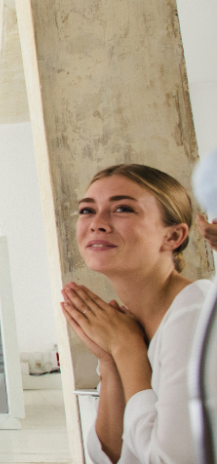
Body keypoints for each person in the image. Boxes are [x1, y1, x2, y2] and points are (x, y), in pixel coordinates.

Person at [59, 164, 212, 463]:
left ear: (174, 236)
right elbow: (112, 456)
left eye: (123, 209)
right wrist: (110, 362)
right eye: (87, 210)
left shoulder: (195, 312)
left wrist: (128, 352)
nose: (97, 224)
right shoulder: (123, 324)